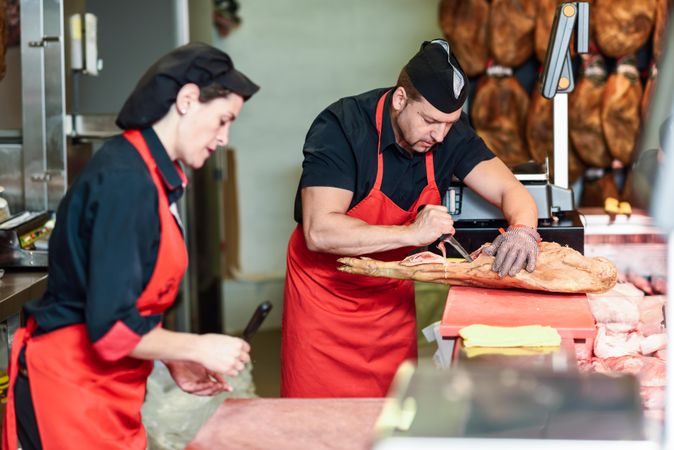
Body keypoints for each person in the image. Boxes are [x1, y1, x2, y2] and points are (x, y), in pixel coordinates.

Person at [2, 42, 259, 450]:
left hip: (110, 390)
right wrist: (198, 346)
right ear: (188, 100)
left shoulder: (153, 176)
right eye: (223, 120)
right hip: (69, 392)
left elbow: (130, 307)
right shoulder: (127, 181)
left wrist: (173, 356)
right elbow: (112, 327)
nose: (224, 139)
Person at [281, 39, 540, 398]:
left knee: (390, 419)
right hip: (325, 303)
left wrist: (523, 230)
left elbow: (510, 191)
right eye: (430, 121)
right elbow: (320, 231)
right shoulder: (341, 128)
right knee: (319, 425)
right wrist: (413, 234)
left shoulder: (447, 132)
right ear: (400, 99)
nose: (439, 135)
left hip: (389, 304)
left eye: (449, 124)